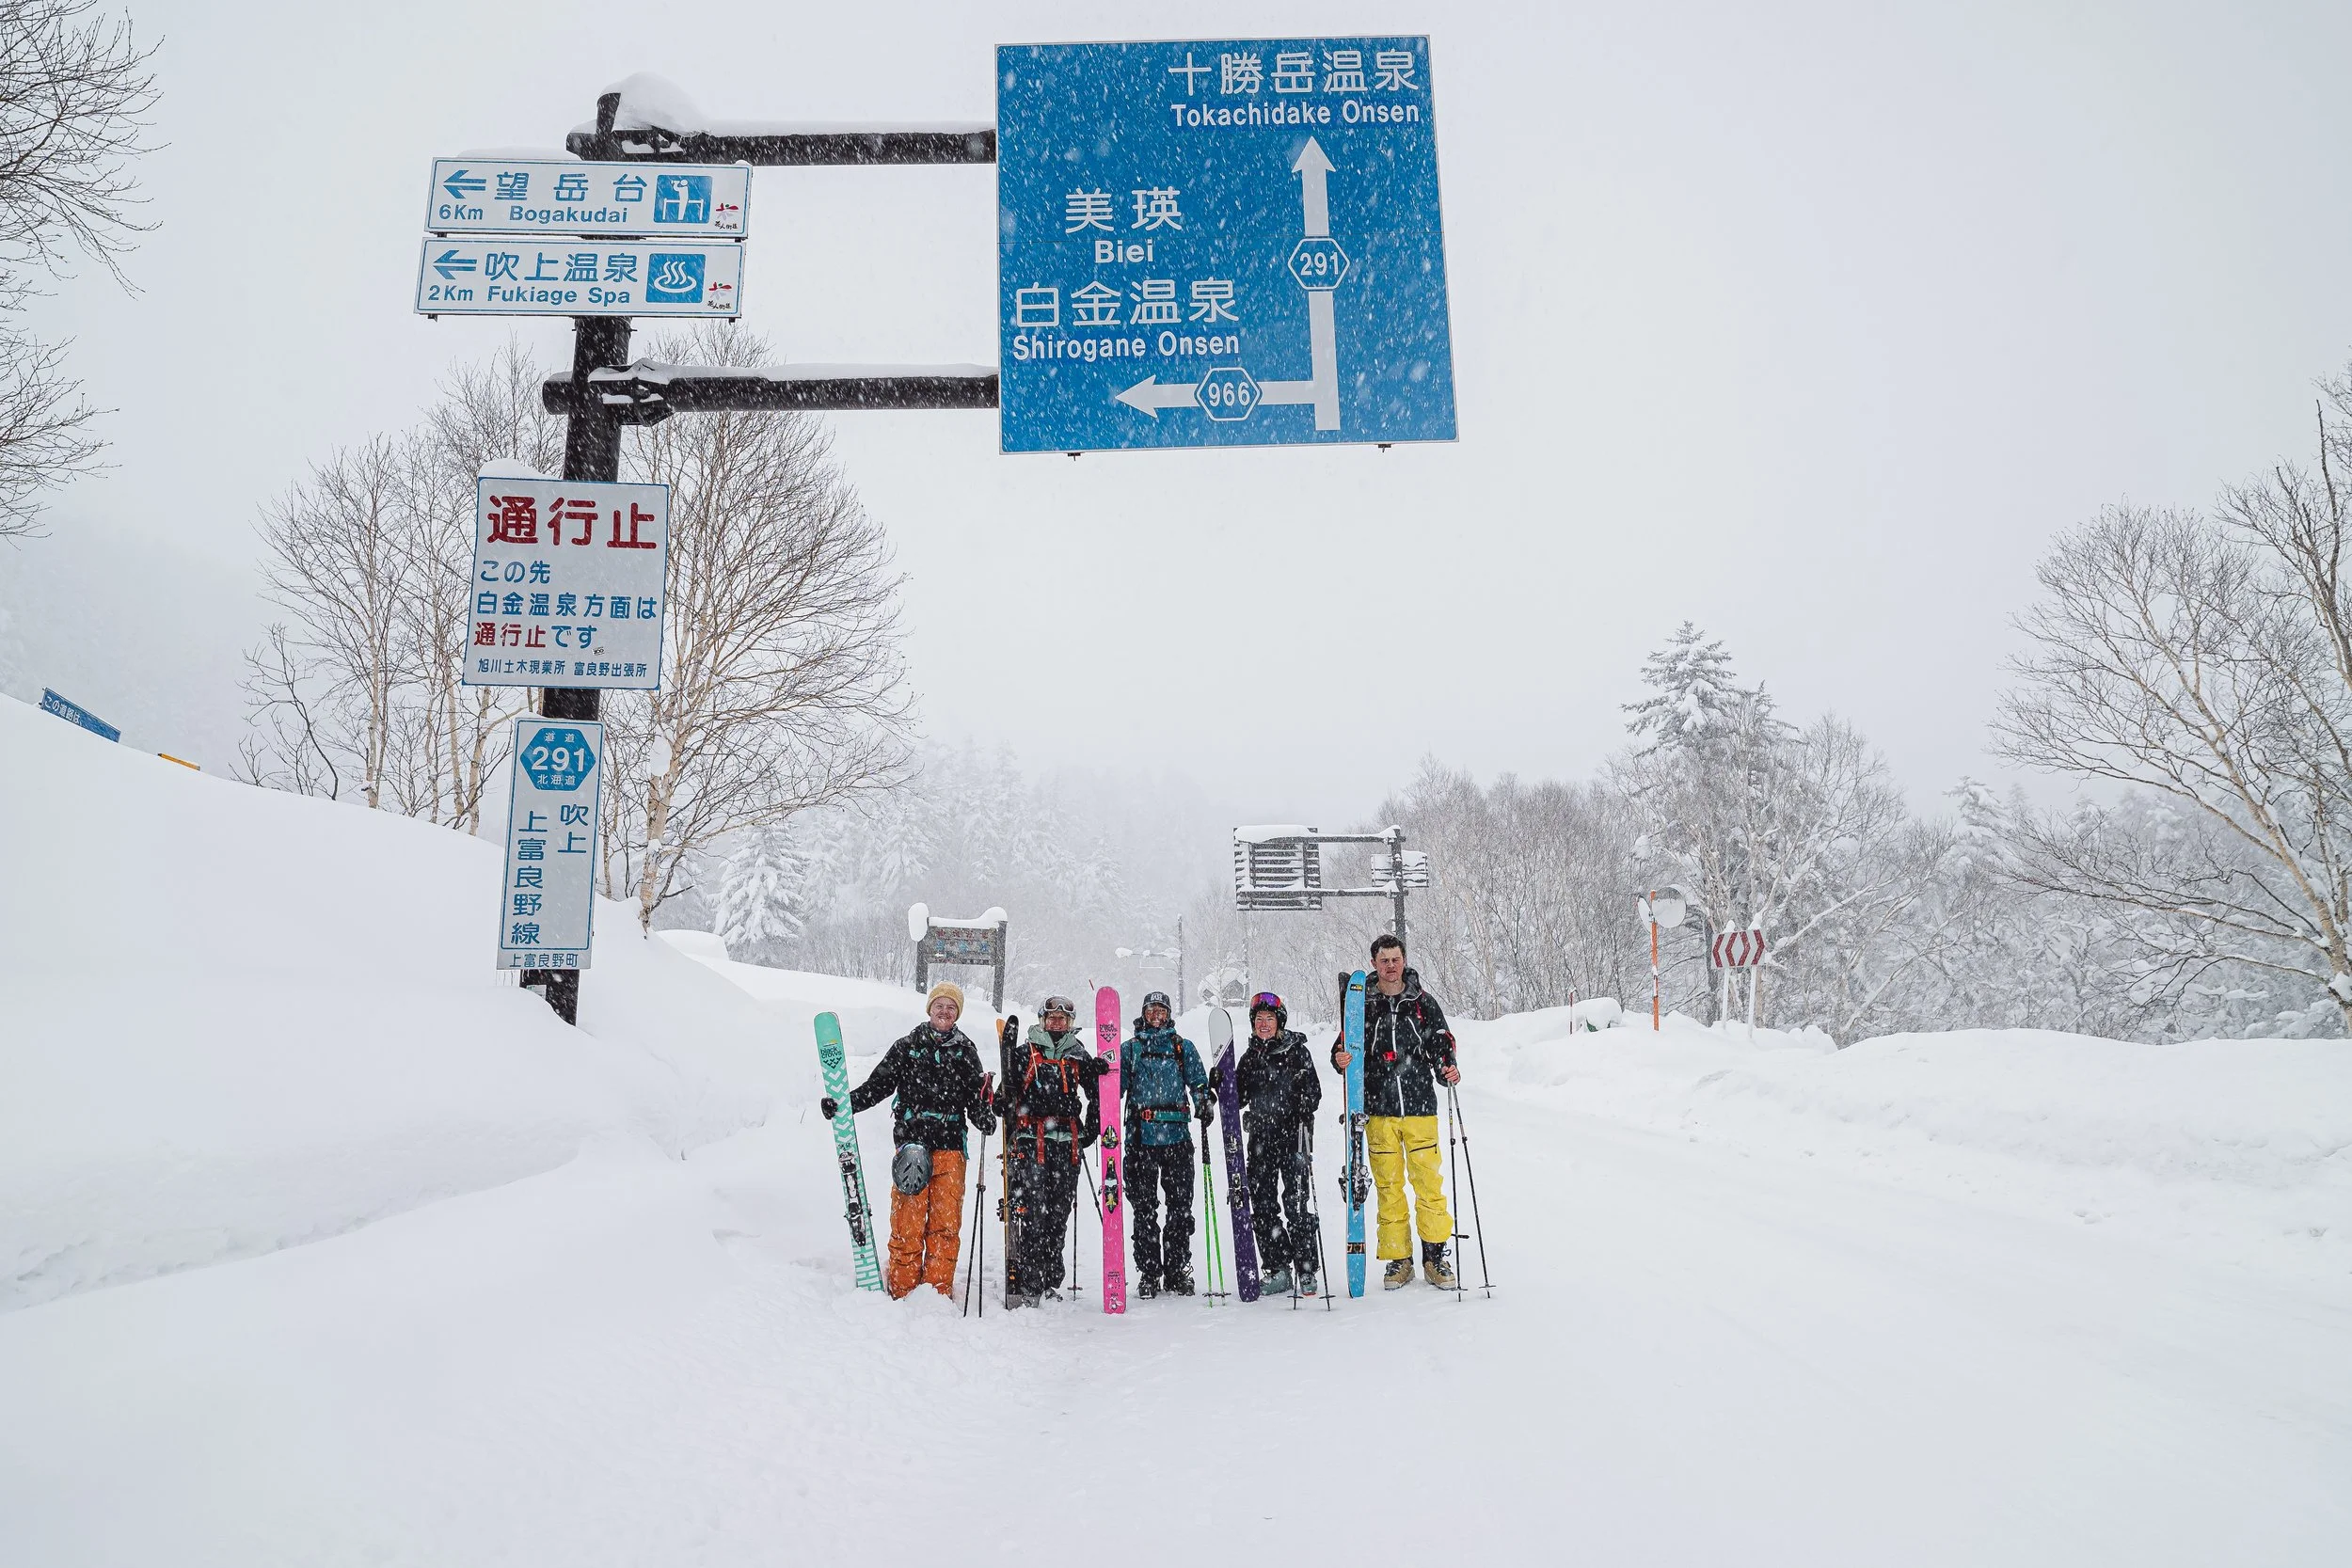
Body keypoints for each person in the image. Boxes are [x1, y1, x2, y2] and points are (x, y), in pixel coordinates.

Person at [822, 981, 995, 1300]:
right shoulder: (908, 1046)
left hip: (951, 1147)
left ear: (957, 1014)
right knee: (908, 1223)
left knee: (945, 1225)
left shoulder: (966, 1051)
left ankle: (938, 1292)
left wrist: (984, 1117)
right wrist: (844, 1104)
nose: (945, 1011)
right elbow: (878, 1085)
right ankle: (902, 1290)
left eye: (951, 1007)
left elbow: (976, 1100)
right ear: (929, 1009)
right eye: (940, 1005)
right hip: (912, 1148)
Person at [1329, 933, 1462, 1290]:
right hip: (1378, 1112)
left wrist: (1447, 1066)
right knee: (1389, 1187)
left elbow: (1440, 1041)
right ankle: (1398, 1260)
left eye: (1396, 959)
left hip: (1419, 1109)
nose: (1391, 966)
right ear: (1374, 964)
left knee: (1428, 1185)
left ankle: (1435, 1257)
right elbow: (1342, 1047)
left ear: (1404, 961)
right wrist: (1340, 1058)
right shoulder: (1361, 1004)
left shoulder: (1422, 1002)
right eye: (1384, 960)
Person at [1000, 994, 1103, 1307]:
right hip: (1033, 1144)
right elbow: (1008, 1093)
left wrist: (1093, 1125)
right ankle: (1031, 1282)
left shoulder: (1078, 1055)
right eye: (1052, 1018)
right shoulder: (1024, 1053)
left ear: (1070, 1024)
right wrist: (1001, 1105)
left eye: (1063, 1019)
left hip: (1066, 1147)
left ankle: (1049, 1279)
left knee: (1058, 1214)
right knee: (1034, 1213)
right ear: (1042, 1020)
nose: (1057, 1023)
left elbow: (1096, 1095)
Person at [1120, 990, 1214, 1298]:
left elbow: (1199, 1080)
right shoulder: (1130, 1050)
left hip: (1177, 1140)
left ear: (1169, 1014)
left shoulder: (1181, 1047)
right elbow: (1112, 1088)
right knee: (1144, 1210)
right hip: (1140, 1140)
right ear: (1144, 1014)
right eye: (1151, 1011)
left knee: (1180, 1210)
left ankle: (1176, 1269)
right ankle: (1149, 1272)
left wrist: (1203, 1100)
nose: (1156, 1016)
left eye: (1162, 1011)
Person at [1234, 990, 1324, 1297]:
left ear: (1279, 1021)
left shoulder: (1297, 1052)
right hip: (1261, 1139)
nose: (1263, 1024)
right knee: (1263, 1204)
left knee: (1296, 1203)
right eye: (1258, 1019)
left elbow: (1315, 1092)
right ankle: (1278, 1268)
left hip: (1293, 1137)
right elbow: (1239, 1096)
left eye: (1269, 1019)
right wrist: (1222, 1083)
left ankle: (1306, 1267)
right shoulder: (1250, 1058)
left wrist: (1302, 1099)